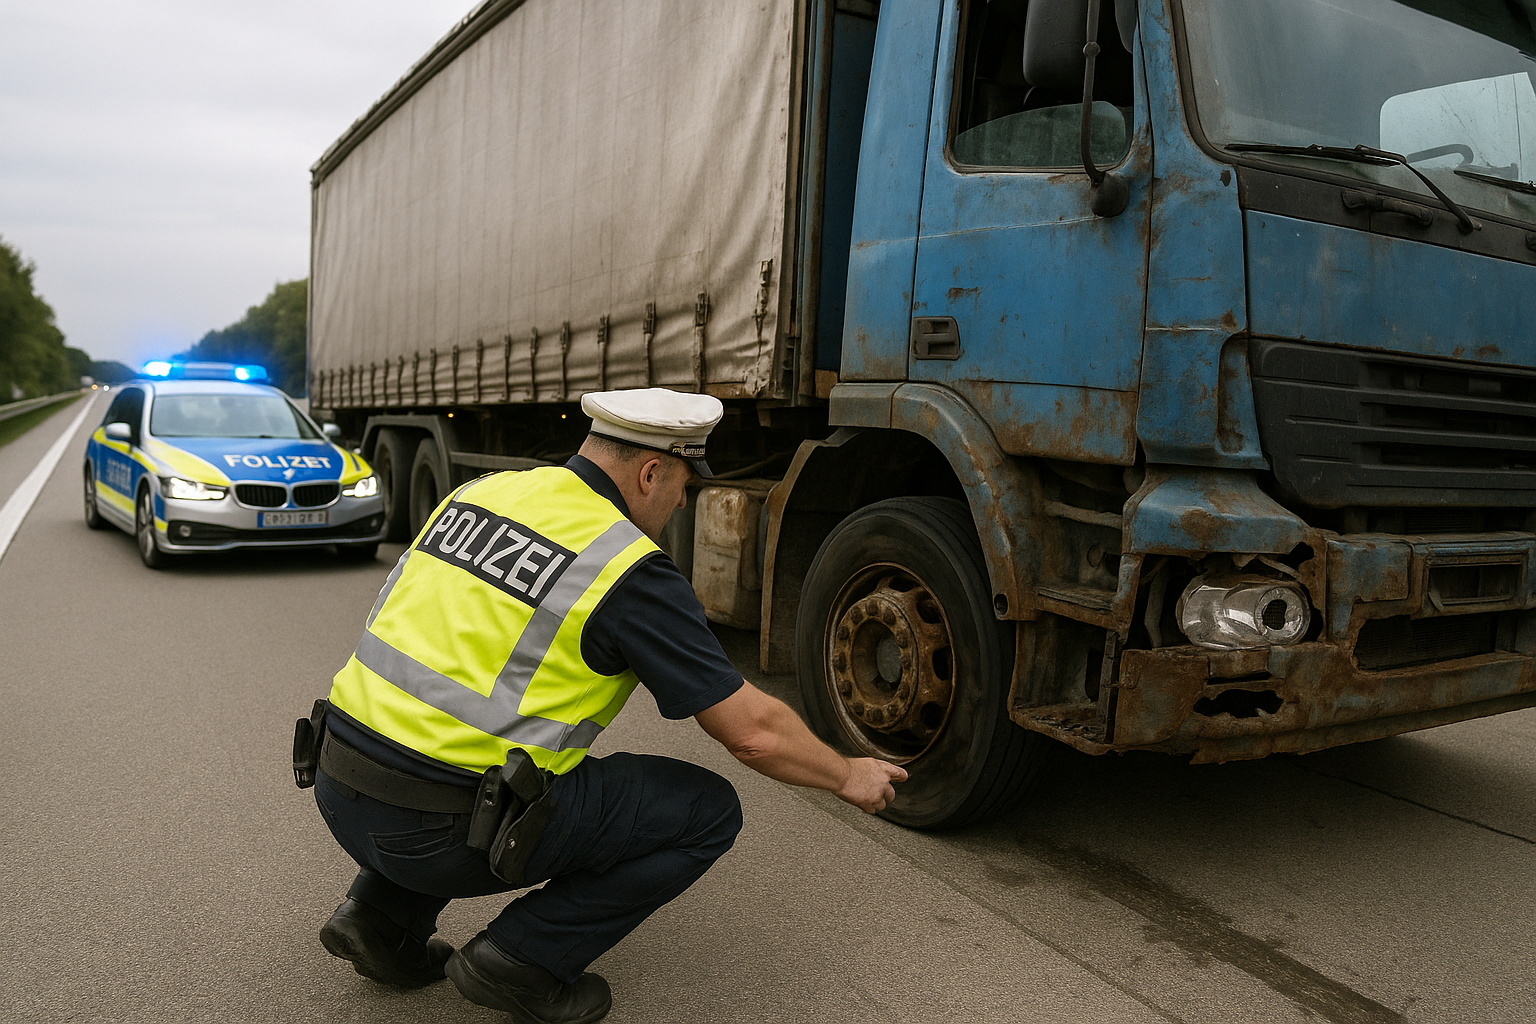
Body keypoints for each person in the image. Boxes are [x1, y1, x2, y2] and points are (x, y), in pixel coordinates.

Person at [302, 387, 906, 1024]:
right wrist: (846, 773)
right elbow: (752, 731)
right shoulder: (625, 567)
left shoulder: (481, 493)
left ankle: (379, 917)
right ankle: (520, 961)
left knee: (445, 750)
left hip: (338, 784)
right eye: (680, 486)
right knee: (704, 810)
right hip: (442, 834)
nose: (678, 504)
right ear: (650, 472)